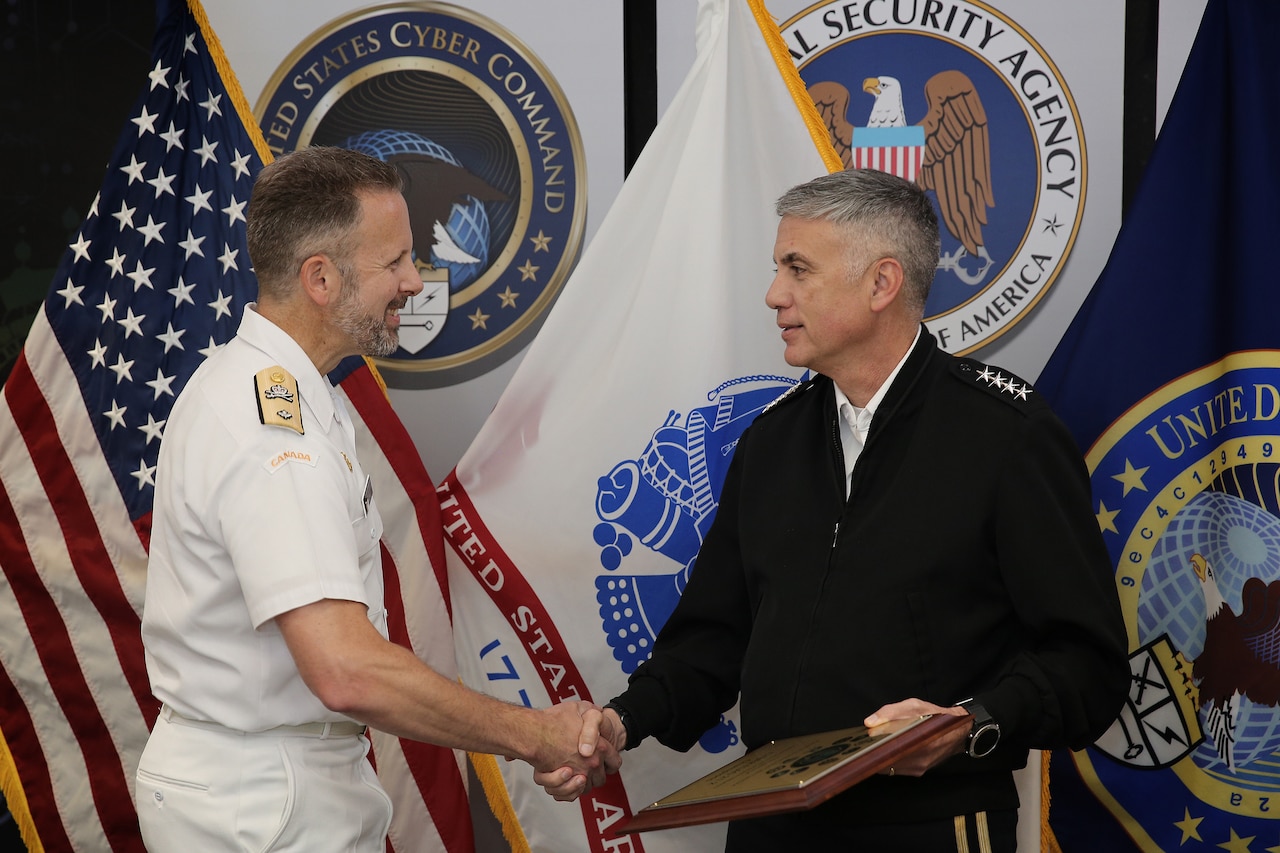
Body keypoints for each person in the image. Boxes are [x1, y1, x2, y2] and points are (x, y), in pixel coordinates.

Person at [539, 168, 1128, 850]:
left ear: (882, 284)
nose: (774, 294)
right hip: (768, 825)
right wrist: (622, 720)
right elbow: (711, 640)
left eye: (798, 269)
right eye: (777, 267)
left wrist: (971, 720)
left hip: (929, 827)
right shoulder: (771, 442)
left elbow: (1088, 662)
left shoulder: (1005, 436)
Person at [136, 146, 613, 851]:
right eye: (394, 262)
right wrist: (533, 733)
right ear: (321, 278)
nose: (415, 282)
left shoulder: (286, 394)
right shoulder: (272, 430)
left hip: (276, 782)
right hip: (263, 802)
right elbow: (345, 667)